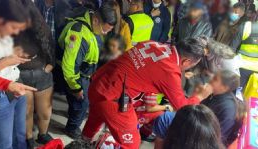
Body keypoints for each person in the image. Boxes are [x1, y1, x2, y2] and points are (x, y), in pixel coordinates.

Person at [73, 38, 212, 149]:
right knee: (132, 143)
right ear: (187, 61)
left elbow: (140, 71)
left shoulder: (152, 43)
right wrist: (200, 96)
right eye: (191, 65)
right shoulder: (170, 70)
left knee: (93, 123)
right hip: (113, 99)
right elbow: (183, 107)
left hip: (98, 83)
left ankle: (80, 144)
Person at [58, 2, 117, 139]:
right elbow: (69, 66)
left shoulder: (92, 24)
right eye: (104, 30)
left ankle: (74, 114)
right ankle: (72, 128)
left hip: (86, 73)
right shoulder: (78, 33)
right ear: (96, 20)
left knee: (79, 103)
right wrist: (76, 88)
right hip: (77, 76)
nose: (105, 33)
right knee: (81, 103)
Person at [153, 70, 245, 148]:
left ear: (224, 87)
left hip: (203, 135)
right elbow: (192, 110)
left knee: (165, 119)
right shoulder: (213, 94)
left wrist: (199, 96)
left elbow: (217, 137)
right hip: (197, 122)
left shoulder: (227, 107)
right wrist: (196, 95)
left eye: (215, 79)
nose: (211, 80)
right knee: (165, 118)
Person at [14, 0, 55, 147]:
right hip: (20, 76)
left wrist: (48, 68)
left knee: (45, 112)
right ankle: (29, 138)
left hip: (42, 75)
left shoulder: (41, 28)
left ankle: (43, 135)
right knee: (27, 112)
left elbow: (52, 49)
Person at [0, 0, 30, 148]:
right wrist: (4, 63)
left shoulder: (6, 34)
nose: (15, 32)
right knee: (4, 144)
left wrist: (18, 58)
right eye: (14, 27)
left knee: (19, 134)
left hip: (16, 84)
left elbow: (9, 63)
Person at [237, 20, 258, 88]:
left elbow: (232, 48)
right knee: (253, 96)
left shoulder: (246, 26)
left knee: (236, 95)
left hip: (242, 67)